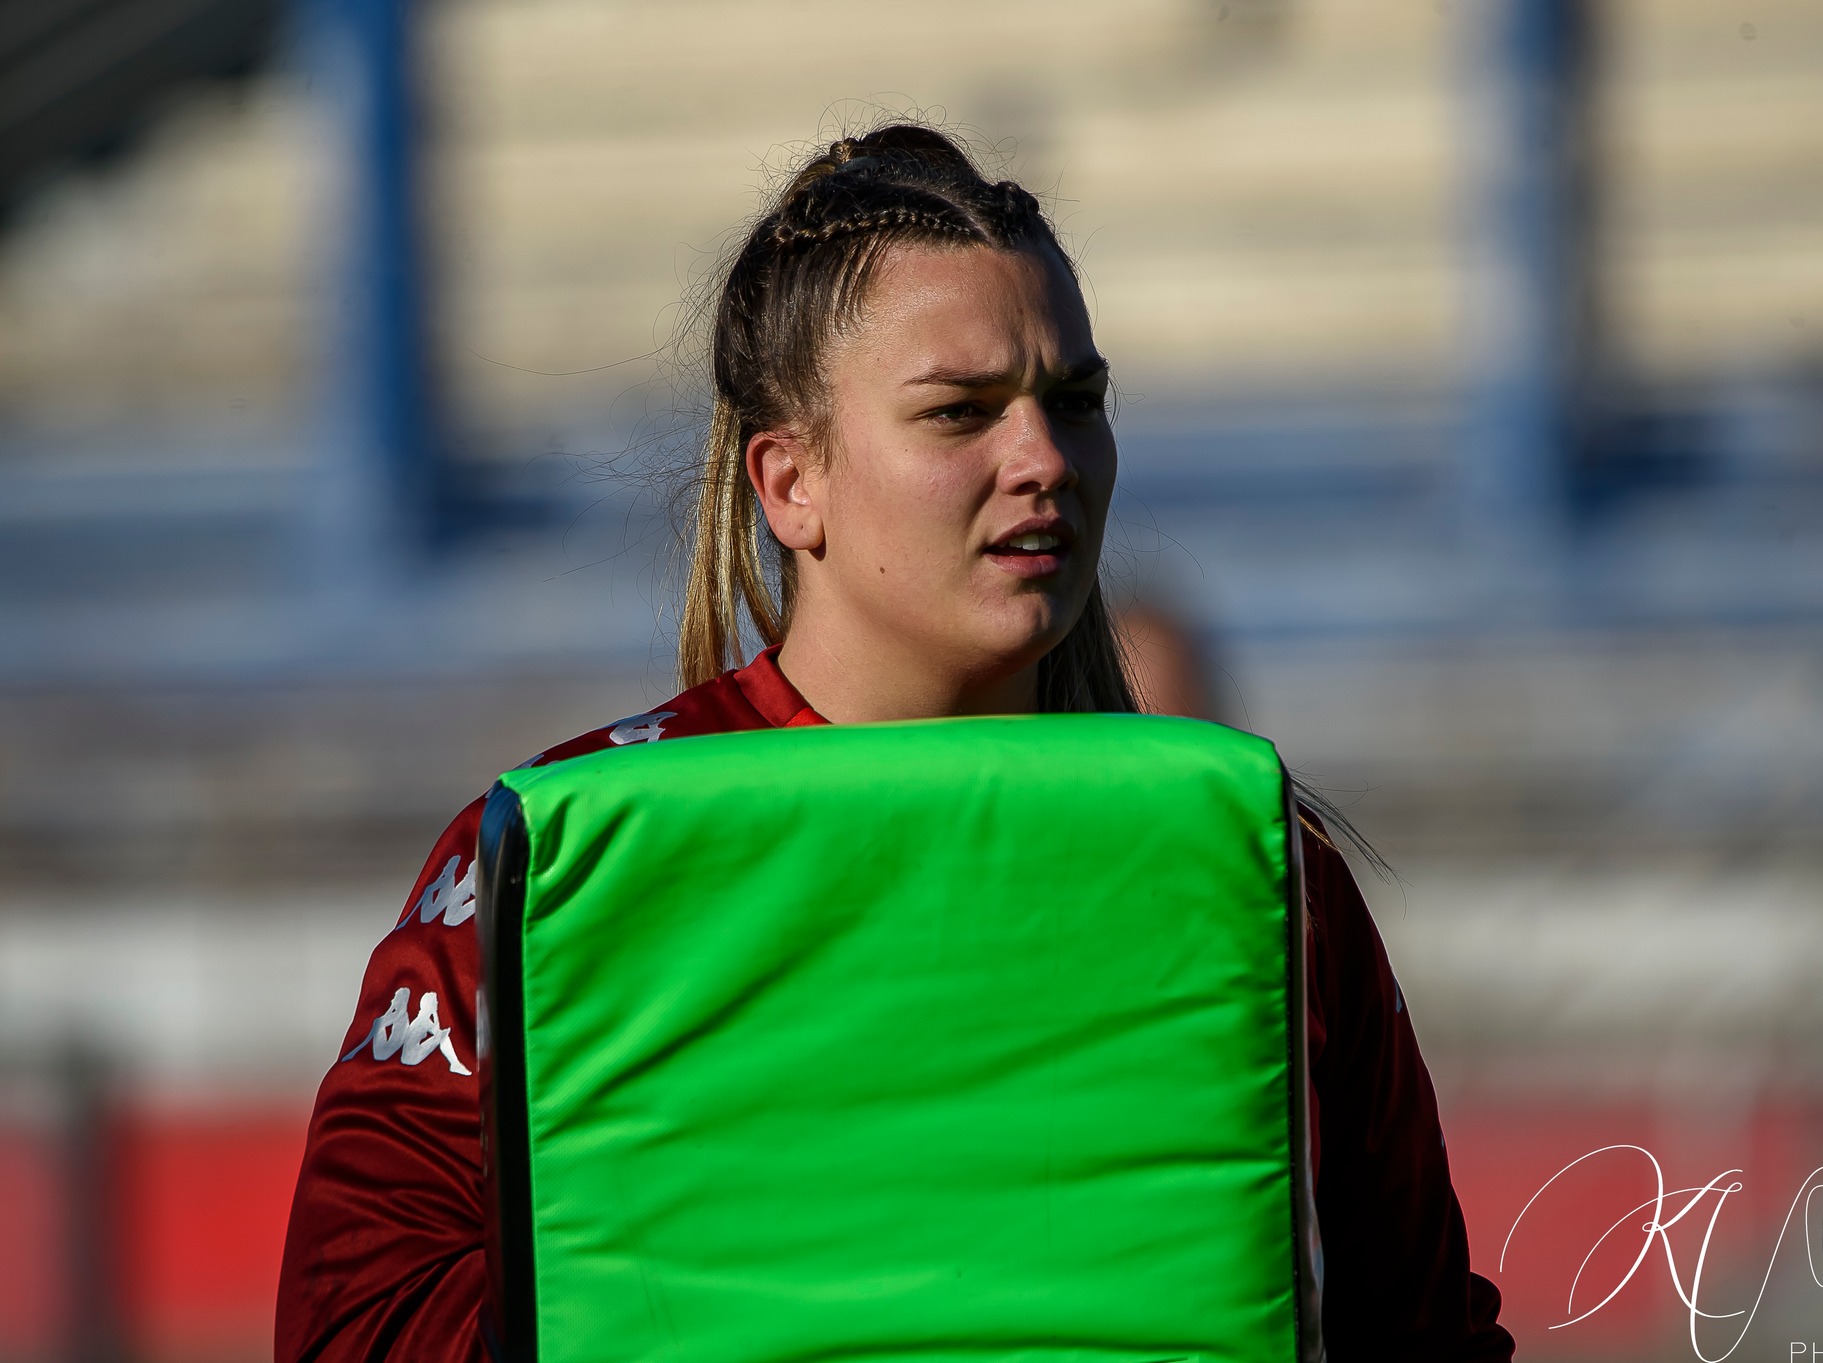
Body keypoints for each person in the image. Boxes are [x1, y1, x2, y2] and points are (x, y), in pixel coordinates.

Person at [274, 122, 1514, 1363]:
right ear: (788, 482)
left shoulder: (1251, 866)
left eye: (1075, 402)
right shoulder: (565, 863)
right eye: (960, 412)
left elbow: (1422, 1333)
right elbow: (351, 1329)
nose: (1043, 460)